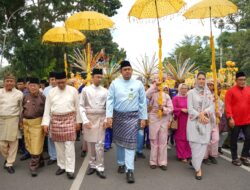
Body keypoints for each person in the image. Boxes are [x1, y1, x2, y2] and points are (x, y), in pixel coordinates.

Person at [106, 60, 147, 183]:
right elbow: (110, 100)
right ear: (121, 71)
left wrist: (143, 118)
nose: (127, 71)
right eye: (125, 69)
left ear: (132, 70)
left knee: (130, 144)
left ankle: (130, 170)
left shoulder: (138, 84)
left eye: (129, 69)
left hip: (132, 117)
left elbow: (142, 102)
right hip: (118, 117)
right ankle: (121, 163)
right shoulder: (114, 83)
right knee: (119, 143)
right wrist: (109, 116)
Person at [42, 71, 81, 179]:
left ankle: (70, 169)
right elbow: (47, 109)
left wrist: (78, 121)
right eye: (59, 83)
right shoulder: (51, 92)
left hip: (69, 120)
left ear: (66, 80)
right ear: (56, 81)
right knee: (59, 146)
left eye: (63, 82)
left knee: (69, 146)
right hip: (55, 121)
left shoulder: (73, 91)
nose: (61, 85)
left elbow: (78, 107)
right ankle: (62, 166)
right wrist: (45, 123)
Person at [79, 68, 108, 179]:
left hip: (101, 119)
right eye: (97, 77)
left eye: (101, 77)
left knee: (100, 145)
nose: (99, 79)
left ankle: (100, 167)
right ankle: (92, 165)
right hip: (89, 119)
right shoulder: (85, 90)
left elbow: (108, 107)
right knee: (91, 144)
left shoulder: (105, 91)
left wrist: (106, 119)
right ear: (92, 77)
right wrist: (85, 120)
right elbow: (81, 106)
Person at [187, 71, 215, 180]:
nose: (202, 81)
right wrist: (199, 115)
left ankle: (194, 162)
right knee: (195, 145)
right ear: (196, 80)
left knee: (203, 144)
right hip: (194, 122)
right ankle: (198, 169)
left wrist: (204, 113)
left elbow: (212, 107)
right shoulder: (191, 93)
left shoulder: (209, 94)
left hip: (205, 122)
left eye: (203, 79)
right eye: (200, 79)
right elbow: (190, 108)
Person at [146, 77, 173, 170]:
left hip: (164, 119)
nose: (159, 85)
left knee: (163, 141)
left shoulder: (167, 96)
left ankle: (162, 162)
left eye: (160, 83)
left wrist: (164, 109)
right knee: (154, 141)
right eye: (157, 83)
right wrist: (155, 85)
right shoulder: (152, 94)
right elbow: (146, 94)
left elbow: (170, 108)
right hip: (154, 117)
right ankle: (153, 161)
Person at [20, 77, 46, 177]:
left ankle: (33, 166)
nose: (33, 87)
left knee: (36, 144)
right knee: (30, 145)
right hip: (26, 124)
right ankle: (41, 160)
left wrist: (45, 124)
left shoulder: (42, 97)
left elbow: (46, 112)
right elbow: (22, 110)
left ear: (39, 86)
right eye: (31, 85)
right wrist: (21, 121)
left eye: (35, 85)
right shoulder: (25, 97)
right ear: (28, 86)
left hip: (38, 123)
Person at [225, 71, 250, 166]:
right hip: (234, 121)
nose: (242, 81)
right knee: (233, 140)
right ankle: (235, 158)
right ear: (236, 80)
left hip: (247, 120)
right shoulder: (230, 91)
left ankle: (244, 156)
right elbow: (228, 106)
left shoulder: (249, 90)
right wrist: (230, 118)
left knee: (249, 137)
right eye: (240, 80)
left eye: (244, 79)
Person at [0, 73, 23, 174]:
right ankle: (7, 157)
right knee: (2, 144)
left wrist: (21, 121)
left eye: (11, 81)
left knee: (13, 143)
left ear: (14, 82)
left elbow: (21, 109)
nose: (9, 83)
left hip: (14, 119)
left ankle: (9, 163)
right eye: (7, 81)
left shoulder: (19, 94)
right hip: (1, 120)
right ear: (4, 82)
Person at [203, 80, 222, 165]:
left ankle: (212, 155)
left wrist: (219, 113)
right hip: (206, 120)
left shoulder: (217, 97)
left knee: (215, 139)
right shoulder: (204, 96)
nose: (211, 87)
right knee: (206, 139)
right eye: (209, 85)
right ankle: (204, 157)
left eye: (212, 85)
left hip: (214, 122)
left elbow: (221, 108)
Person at [172, 83, 191, 163]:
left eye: (185, 88)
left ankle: (188, 154)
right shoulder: (176, 98)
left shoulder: (189, 97)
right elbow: (172, 108)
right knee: (180, 138)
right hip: (180, 119)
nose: (184, 90)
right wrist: (181, 110)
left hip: (189, 119)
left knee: (189, 137)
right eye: (182, 88)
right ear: (179, 89)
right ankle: (181, 155)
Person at [43, 72, 57, 165]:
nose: (54, 81)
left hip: (59, 116)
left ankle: (60, 154)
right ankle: (53, 156)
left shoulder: (61, 88)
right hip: (49, 116)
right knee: (50, 137)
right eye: (52, 79)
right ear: (49, 80)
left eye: (55, 79)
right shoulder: (46, 90)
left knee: (60, 137)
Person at [16, 78, 31, 161]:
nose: (19, 85)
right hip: (19, 117)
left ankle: (28, 152)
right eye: (18, 84)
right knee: (22, 136)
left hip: (28, 118)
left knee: (26, 136)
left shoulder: (26, 93)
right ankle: (24, 150)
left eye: (21, 84)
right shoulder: (18, 93)